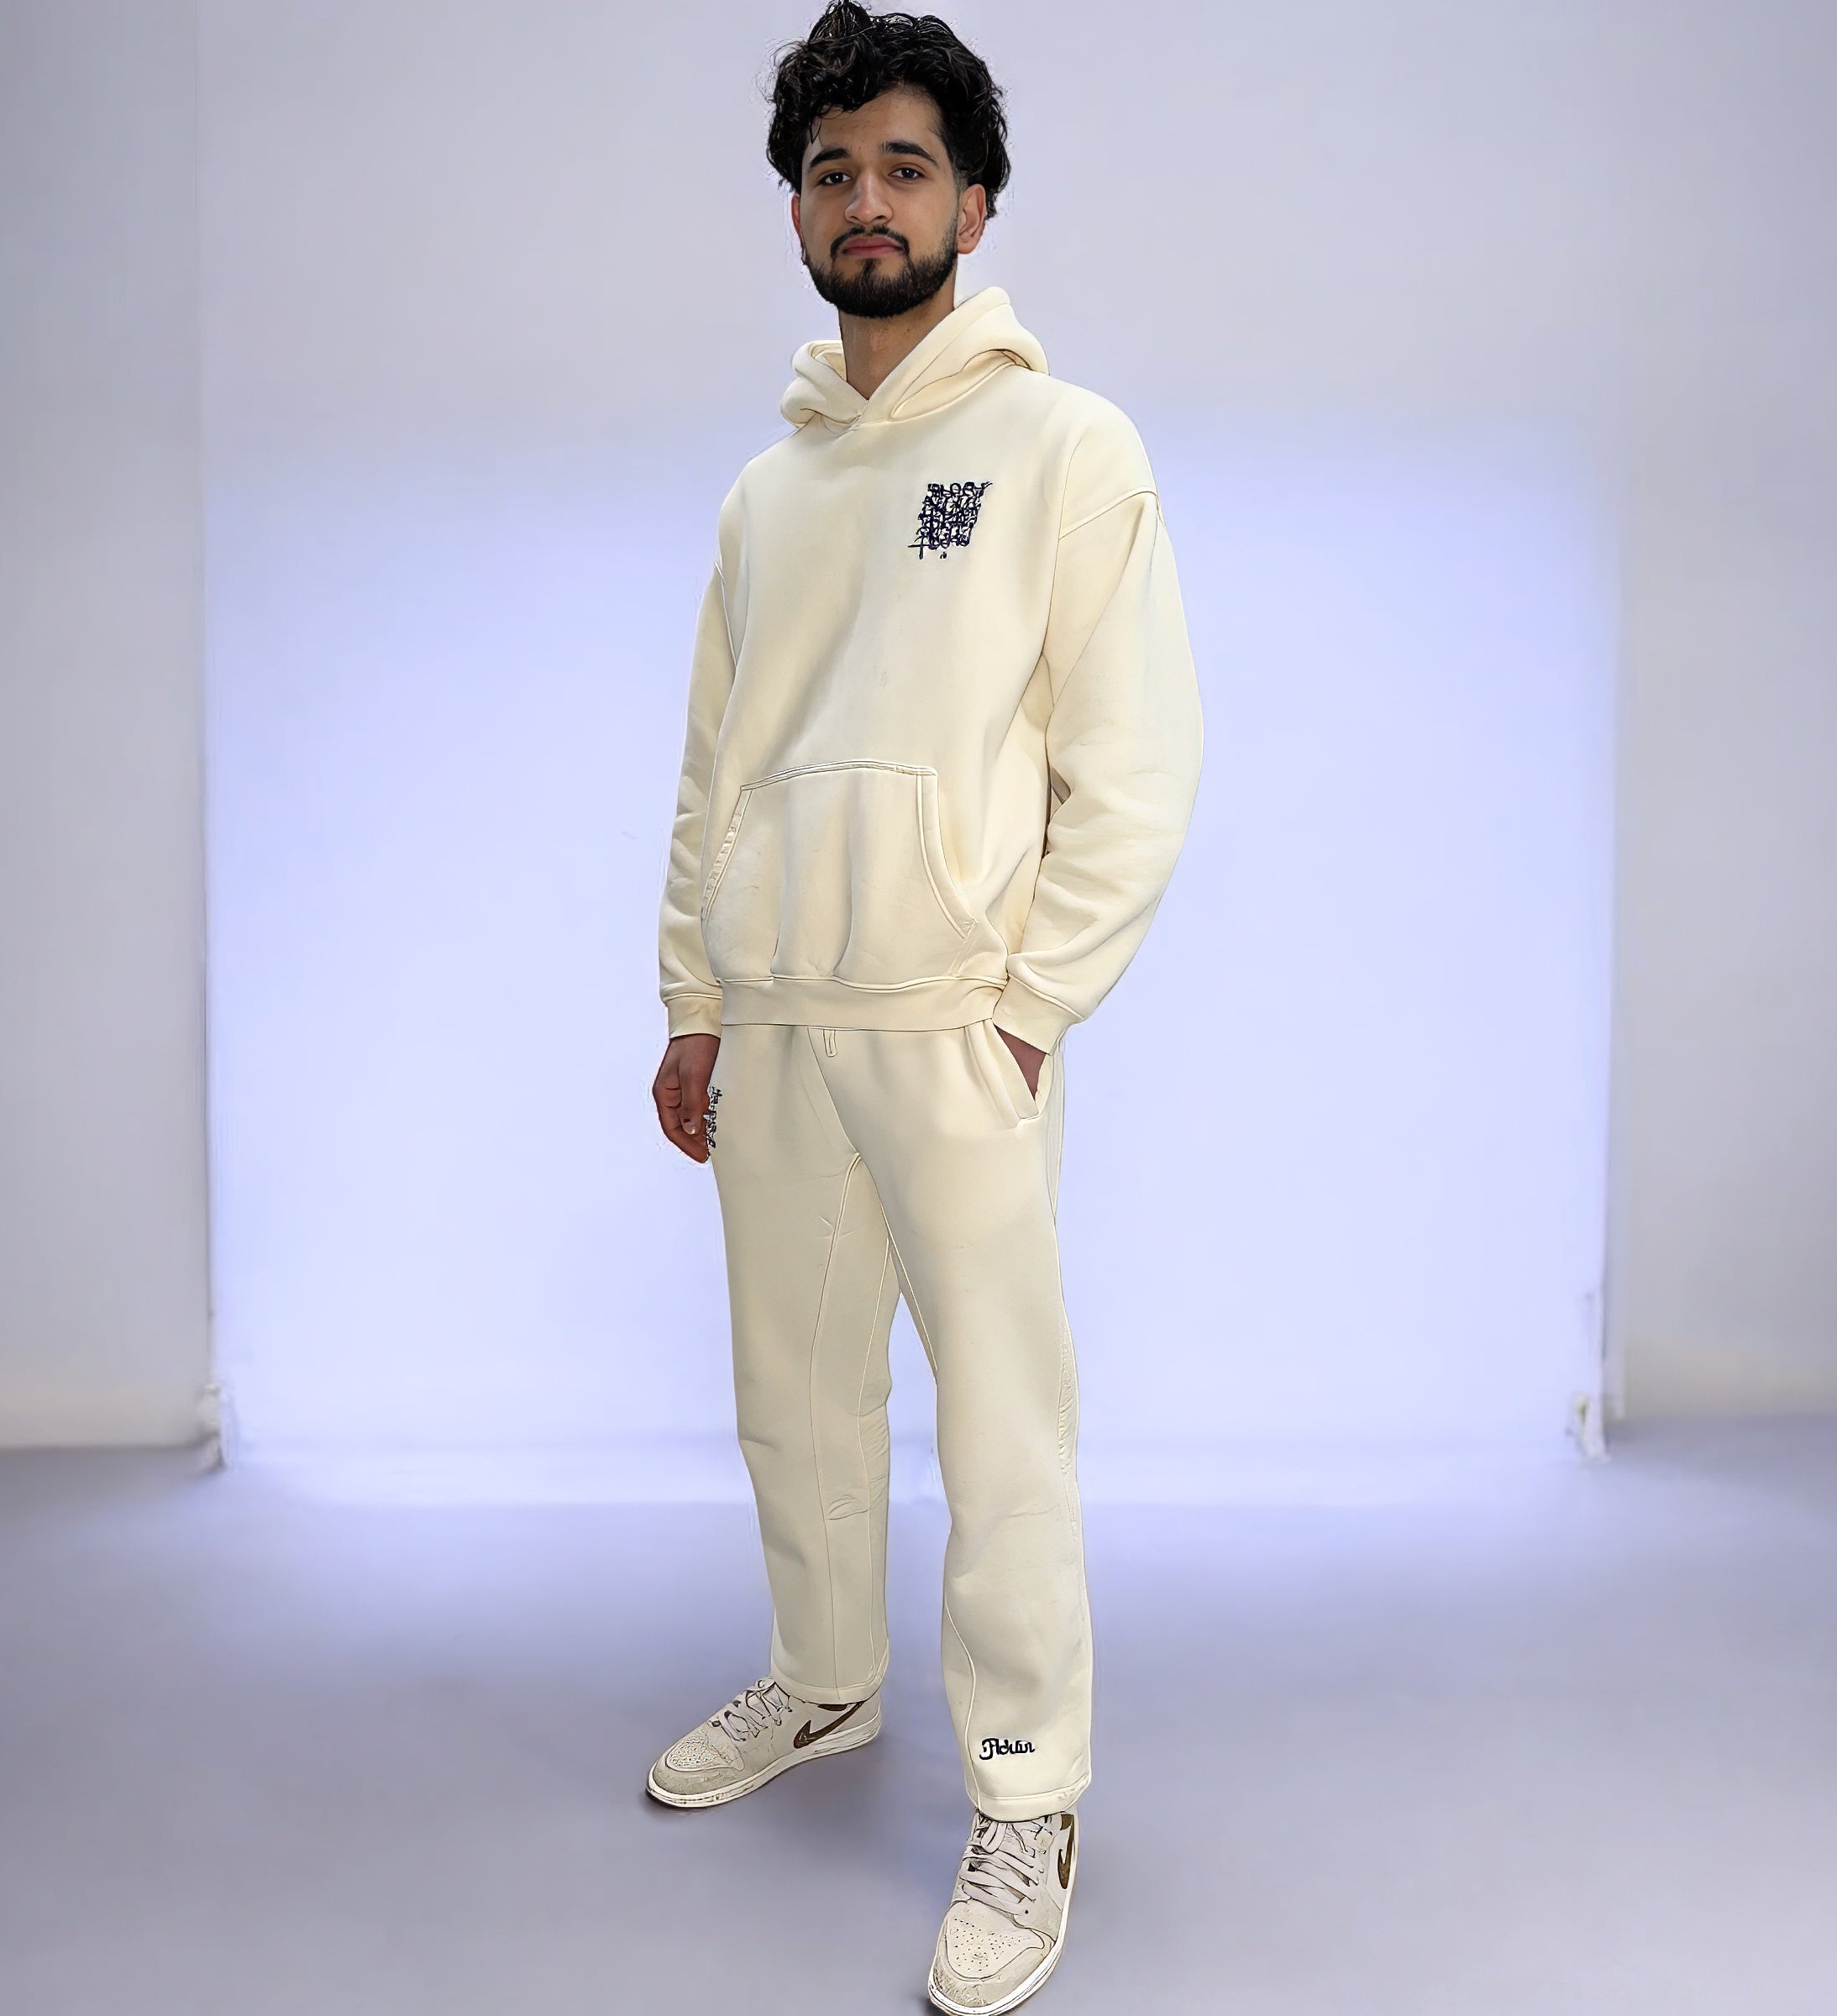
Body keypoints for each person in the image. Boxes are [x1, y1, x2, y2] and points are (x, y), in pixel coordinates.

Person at [646, 6, 1202, 2008]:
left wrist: (1031, 1007)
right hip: (781, 1019)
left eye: (902, 167)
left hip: (958, 1024)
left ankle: (1029, 1792)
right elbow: (714, 774)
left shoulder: (1067, 450)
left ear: (975, 204)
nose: (863, 202)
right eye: (830, 173)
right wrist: (696, 997)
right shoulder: (766, 495)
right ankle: (824, 1679)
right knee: (793, 1393)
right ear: (796, 211)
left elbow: (1137, 765)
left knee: (1001, 1426)